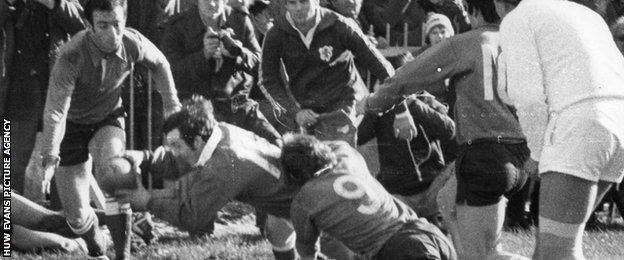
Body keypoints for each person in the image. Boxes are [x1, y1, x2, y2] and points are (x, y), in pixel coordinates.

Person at [357, 0, 531, 258]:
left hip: (485, 155)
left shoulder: (469, 41)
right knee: (447, 200)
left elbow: (408, 76)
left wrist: (372, 102)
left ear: (473, 10)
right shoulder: (519, 41)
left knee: (484, 256)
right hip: (520, 156)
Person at [39, 0, 182, 258]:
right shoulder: (71, 55)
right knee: (77, 217)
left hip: (108, 117)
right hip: (70, 126)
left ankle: (123, 256)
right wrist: (50, 155)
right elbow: (56, 111)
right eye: (103, 26)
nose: (112, 34)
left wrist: (172, 104)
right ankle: (97, 249)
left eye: (117, 24)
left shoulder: (132, 42)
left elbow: (160, 64)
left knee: (117, 173)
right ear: (89, 26)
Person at [496, 0, 624, 259]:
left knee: (559, 251)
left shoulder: (518, 18)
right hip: (617, 124)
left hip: (582, 127)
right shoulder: (587, 14)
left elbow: (528, 96)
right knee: (548, 249)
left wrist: (537, 152)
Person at [116, 96, 299, 260]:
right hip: (288, 194)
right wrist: (145, 158)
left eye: (176, 145)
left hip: (308, 202)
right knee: (278, 231)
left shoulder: (222, 167)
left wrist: (145, 199)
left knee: (296, 237)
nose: (173, 152)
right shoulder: (218, 132)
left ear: (196, 141)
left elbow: (191, 216)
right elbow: (180, 160)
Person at [281, 133, 456, 260]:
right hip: (428, 232)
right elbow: (338, 144)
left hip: (398, 250)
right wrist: (310, 147)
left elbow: (307, 252)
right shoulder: (347, 157)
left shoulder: (303, 201)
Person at [261, 0, 394, 146]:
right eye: (292, 3)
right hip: (306, 111)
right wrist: (294, 111)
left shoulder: (340, 25)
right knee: (304, 161)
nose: (298, 8)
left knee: (335, 159)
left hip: (344, 105)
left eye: (304, 2)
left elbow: (382, 66)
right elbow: (268, 80)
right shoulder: (276, 33)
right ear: (285, 5)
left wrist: (401, 112)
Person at [161, 0, 282, 146]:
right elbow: (170, 73)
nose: (211, 4)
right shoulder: (178, 26)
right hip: (196, 111)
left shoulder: (239, 19)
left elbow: (261, 65)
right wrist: (203, 55)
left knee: (277, 144)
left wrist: (239, 53)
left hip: (238, 106)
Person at [1, 0, 84, 198]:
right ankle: (7, 223)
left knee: (61, 162)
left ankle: (63, 222)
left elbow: (83, 25)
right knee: (10, 164)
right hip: (17, 91)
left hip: (56, 86)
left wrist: (54, 3)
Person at [357, 92, 455, 224]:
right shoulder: (380, 106)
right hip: (401, 196)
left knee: (468, 160)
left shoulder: (425, 100)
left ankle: (441, 221)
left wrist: (413, 104)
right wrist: (371, 108)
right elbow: (359, 138)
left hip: (433, 188)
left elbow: (450, 131)